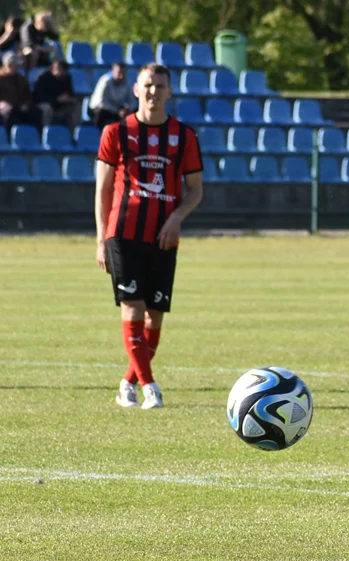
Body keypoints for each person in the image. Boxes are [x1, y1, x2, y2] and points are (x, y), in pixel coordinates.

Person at [95, 64, 203, 409]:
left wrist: (176, 218)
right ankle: (150, 386)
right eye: (148, 85)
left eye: (160, 86)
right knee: (134, 307)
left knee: (155, 313)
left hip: (163, 237)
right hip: (123, 233)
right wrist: (101, 240)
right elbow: (103, 190)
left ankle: (128, 383)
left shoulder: (184, 136)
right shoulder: (115, 132)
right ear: (136, 90)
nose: (154, 91)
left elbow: (195, 191)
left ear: (170, 92)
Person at [33, 59, 77, 127]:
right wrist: (57, 99)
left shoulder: (67, 78)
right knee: (47, 108)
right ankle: (45, 131)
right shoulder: (43, 78)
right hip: (42, 106)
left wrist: (70, 99)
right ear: (53, 69)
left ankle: (73, 133)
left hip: (60, 107)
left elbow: (70, 93)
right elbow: (41, 98)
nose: (61, 72)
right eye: (59, 70)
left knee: (76, 106)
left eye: (63, 70)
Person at [90, 62, 134, 128]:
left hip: (118, 109)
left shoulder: (128, 82)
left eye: (124, 73)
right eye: (119, 72)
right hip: (101, 109)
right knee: (101, 113)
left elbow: (132, 100)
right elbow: (102, 103)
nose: (121, 76)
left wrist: (128, 109)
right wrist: (117, 111)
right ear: (113, 71)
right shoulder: (105, 81)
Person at [0, 51, 36, 128]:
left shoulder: (21, 79)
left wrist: (25, 103)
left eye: (16, 65)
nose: (15, 67)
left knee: (34, 112)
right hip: (4, 108)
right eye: (12, 65)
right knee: (8, 110)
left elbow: (27, 95)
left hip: (18, 106)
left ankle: (32, 134)